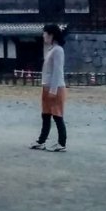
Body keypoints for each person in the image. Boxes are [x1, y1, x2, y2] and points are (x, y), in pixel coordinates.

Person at [31, 23, 68, 152]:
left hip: (56, 87)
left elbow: (58, 71)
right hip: (47, 87)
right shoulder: (51, 49)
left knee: (57, 115)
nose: (43, 36)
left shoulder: (58, 50)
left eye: (45, 33)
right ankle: (41, 141)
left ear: (51, 35)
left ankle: (61, 143)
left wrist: (53, 90)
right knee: (45, 114)